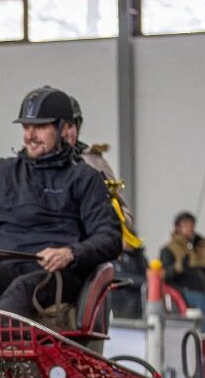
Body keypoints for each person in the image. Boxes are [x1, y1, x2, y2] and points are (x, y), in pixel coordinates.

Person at [0, 86, 121, 319]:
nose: (30, 135)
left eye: (41, 127)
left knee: (23, 288)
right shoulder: (1, 173)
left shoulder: (84, 178)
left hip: (57, 275)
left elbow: (110, 238)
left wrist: (71, 253)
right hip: (10, 267)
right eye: (27, 127)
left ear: (64, 128)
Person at [62, 95, 148, 319]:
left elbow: (124, 218)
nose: (65, 133)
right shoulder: (27, 167)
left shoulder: (94, 163)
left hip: (85, 257)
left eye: (70, 126)